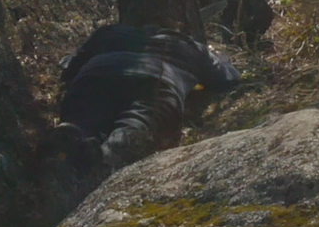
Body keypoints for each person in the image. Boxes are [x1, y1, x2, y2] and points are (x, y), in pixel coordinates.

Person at [55, 24, 240, 170]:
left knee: (82, 123)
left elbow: (68, 67)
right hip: (155, 80)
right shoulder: (189, 45)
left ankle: (67, 146)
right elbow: (227, 78)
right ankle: (107, 159)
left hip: (96, 73)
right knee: (133, 131)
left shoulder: (109, 32)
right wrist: (220, 57)